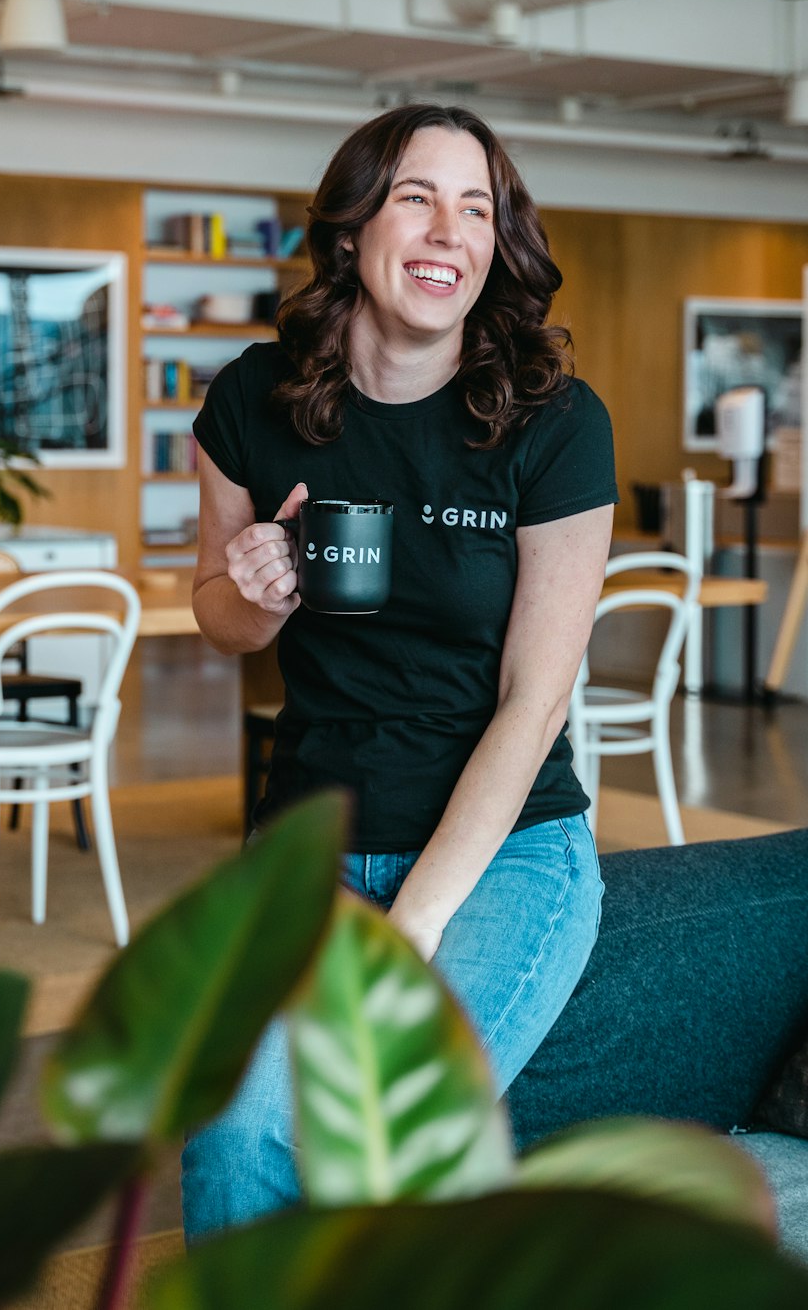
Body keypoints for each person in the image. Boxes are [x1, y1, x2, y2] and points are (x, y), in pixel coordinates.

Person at [182, 102, 617, 1239]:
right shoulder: (252, 401)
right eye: (417, 196)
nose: (448, 230)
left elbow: (535, 702)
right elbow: (218, 624)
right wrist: (255, 591)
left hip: (506, 854)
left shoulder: (553, 424)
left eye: (476, 207)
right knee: (236, 1130)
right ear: (350, 230)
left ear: (496, 245)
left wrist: (416, 916)